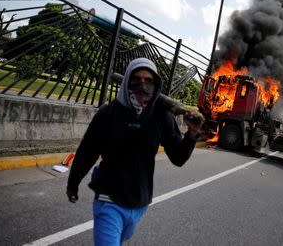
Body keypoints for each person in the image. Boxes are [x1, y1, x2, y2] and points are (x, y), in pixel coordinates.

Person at [67, 57, 203, 245]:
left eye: (148, 81)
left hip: (139, 202)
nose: (142, 85)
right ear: (126, 82)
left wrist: (192, 134)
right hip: (109, 198)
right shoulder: (108, 113)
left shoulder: (162, 116)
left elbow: (178, 157)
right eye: (136, 79)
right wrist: (72, 184)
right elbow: (87, 152)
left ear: (156, 84)